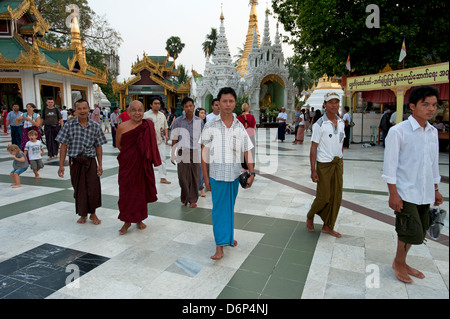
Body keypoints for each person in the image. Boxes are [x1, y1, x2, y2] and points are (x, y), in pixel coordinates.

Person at [382, 85, 444, 284]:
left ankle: (401, 261)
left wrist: (435, 189)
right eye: (425, 104)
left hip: (425, 191)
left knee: (419, 228)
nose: (431, 109)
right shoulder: (399, 131)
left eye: (434, 105)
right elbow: (390, 167)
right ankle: (399, 263)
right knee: (410, 230)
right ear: (412, 106)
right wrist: (393, 194)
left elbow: (434, 164)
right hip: (405, 192)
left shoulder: (432, 132)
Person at [201, 87, 255, 260]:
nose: (227, 104)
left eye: (231, 101)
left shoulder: (240, 126)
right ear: (218, 103)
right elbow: (203, 153)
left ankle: (229, 238)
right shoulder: (210, 125)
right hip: (217, 175)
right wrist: (205, 177)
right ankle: (219, 246)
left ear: (235, 103)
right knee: (219, 210)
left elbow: (247, 151)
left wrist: (252, 172)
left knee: (229, 208)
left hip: (234, 175)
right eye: (224, 101)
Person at [56, 99, 107, 225]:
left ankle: (93, 214)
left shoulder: (95, 126)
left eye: (84, 108)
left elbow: (98, 146)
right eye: (79, 109)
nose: (82, 111)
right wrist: (61, 165)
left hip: (90, 161)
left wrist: (100, 164)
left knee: (93, 188)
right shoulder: (69, 125)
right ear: (75, 110)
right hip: (76, 162)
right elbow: (63, 146)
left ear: (89, 109)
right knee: (79, 189)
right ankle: (83, 214)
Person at [116, 100, 161, 235]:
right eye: (134, 110)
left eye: (140, 110)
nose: (137, 113)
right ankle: (127, 221)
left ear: (144, 112)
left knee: (140, 193)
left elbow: (150, 144)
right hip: (127, 165)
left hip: (142, 165)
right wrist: (131, 154)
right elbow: (119, 145)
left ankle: (139, 219)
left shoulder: (147, 125)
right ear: (128, 112)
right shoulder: (122, 127)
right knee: (126, 193)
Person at [306, 92, 345, 238]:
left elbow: (340, 144)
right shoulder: (319, 124)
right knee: (324, 196)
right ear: (325, 105)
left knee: (336, 196)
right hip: (324, 165)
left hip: (337, 164)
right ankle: (310, 215)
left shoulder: (341, 123)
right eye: (331, 102)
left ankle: (328, 226)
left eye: (336, 102)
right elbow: (313, 147)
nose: (334, 105)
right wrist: (313, 169)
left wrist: (341, 161)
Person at [171, 97, 204, 208]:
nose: (189, 108)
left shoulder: (199, 121)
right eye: (186, 106)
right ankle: (185, 196)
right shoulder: (178, 121)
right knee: (182, 177)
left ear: (194, 107)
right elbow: (174, 138)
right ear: (183, 108)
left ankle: (193, 199)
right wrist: (173, 153)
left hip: (195, 151)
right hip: (182, 151)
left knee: (195, 176)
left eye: (191, 106)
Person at [144, 97, 171, 184]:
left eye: (158, 103)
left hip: (160, 140)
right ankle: (147, 177)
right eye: (155, 103)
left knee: (162, 159)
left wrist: (166, 135)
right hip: (148, 142)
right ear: (151, 105)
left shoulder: (162, 115)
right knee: (147, 160)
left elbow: (165, 126)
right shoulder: (145, 115)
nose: (157, 105)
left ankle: (163, 177)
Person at [237, 102, 257, 169]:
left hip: (242, 137)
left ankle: (244, 167)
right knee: (251, 152)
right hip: (250, 136)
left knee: (242, 153)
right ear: (248, 108)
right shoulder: (251, 117)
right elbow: (254, 128)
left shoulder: (238, 117)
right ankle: (250, 168)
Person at [195, 107, 207, 197]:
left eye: (204, 113)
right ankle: (201, 187)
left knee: (200, 167)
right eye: (201, 113)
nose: (203, 115)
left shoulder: (203, 122)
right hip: (196, 147)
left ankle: (200, 186)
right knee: (199, 167)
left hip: (201, 147)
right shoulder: (198, 122)